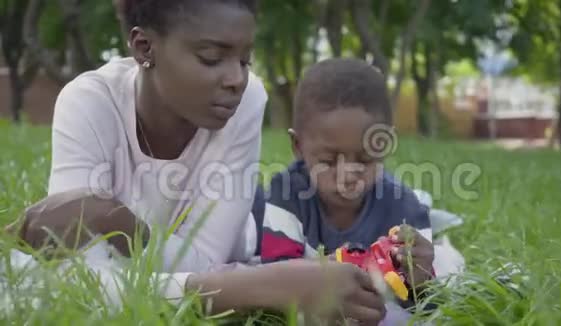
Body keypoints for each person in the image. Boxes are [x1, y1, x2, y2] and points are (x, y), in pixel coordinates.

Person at [4, 1, 387, 324]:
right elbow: (79, 280)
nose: (236, 78)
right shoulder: (89, 103)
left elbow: (207, 258)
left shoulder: (247, 99)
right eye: (212, 58)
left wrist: (115, 222)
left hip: (249, 228)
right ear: (144, 47)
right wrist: (265, 288)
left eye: (245, 60)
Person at [255, 58, 436, 318]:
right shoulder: (286, 194)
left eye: (364, 160)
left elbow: (427, 307)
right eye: (328, 162)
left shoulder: (405, 208)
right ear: (298, 146)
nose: (348, 177)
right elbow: (276, 283)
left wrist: (421, 280)